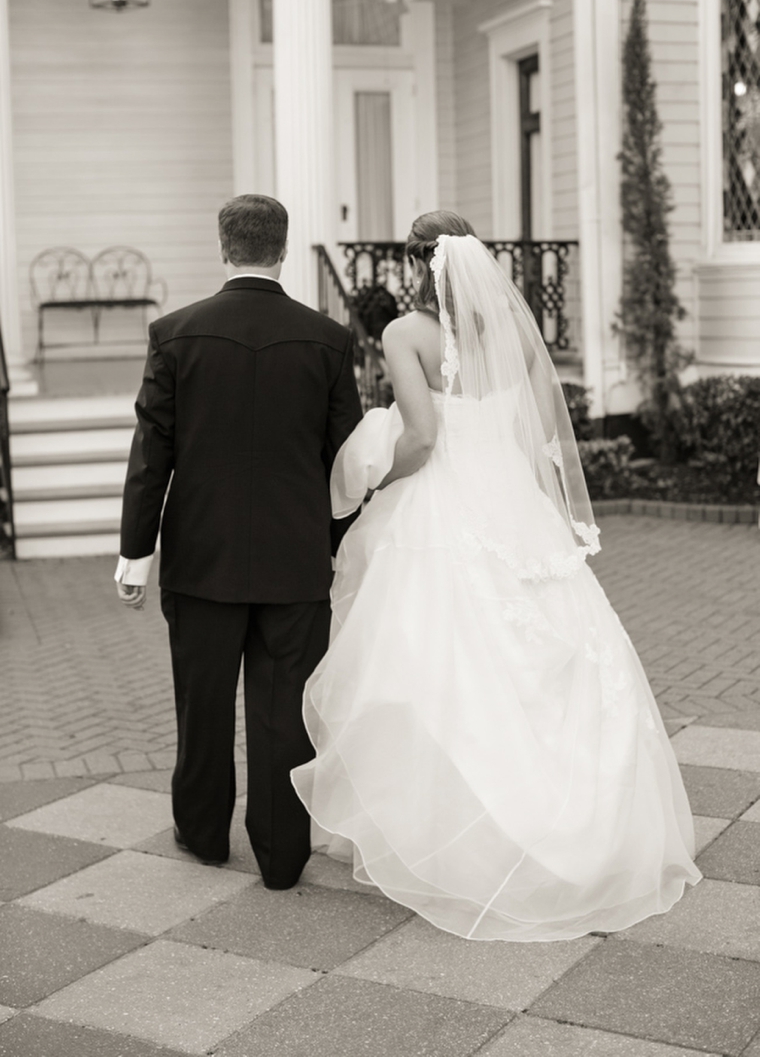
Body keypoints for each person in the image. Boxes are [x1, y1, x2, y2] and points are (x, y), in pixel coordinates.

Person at [291, 210, 701, 941]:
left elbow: (420, 439)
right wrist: (547, 519)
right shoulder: (509, 330)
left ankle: (450, 836)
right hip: (514, 502)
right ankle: (575, 827)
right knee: (540, 662)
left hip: (442, 508)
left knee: (431, 670)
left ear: (419, 266)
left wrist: (378, 483)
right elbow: (542, 435)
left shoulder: (404, 335)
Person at [115, 194, 363, 888]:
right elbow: (346, 463)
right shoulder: (328, 339)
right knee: (286, 715)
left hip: (200, 559)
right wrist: (335, 545)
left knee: (202, 703)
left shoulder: (175, 334)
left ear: (223, 246)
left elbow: (151, 456)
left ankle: (203, 835)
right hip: (296, 561)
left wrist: (136, 552)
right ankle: (282, 858)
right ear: (283, 249)